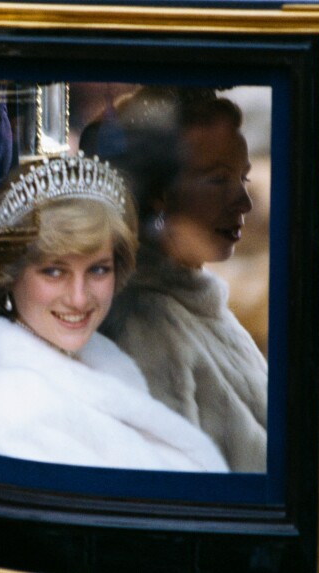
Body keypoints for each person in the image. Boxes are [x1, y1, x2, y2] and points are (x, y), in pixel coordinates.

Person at [0, 152, 228, 472]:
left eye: (98, 270)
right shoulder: (4, 405)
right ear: (9, 275)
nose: (79, 298)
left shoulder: (103, 361)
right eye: (54, 272)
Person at [82, 87, 268, 472]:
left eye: (242, 179)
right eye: (218, 180)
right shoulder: (147, 328)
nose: (243, 203)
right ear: (158, 196)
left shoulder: (194, 301)